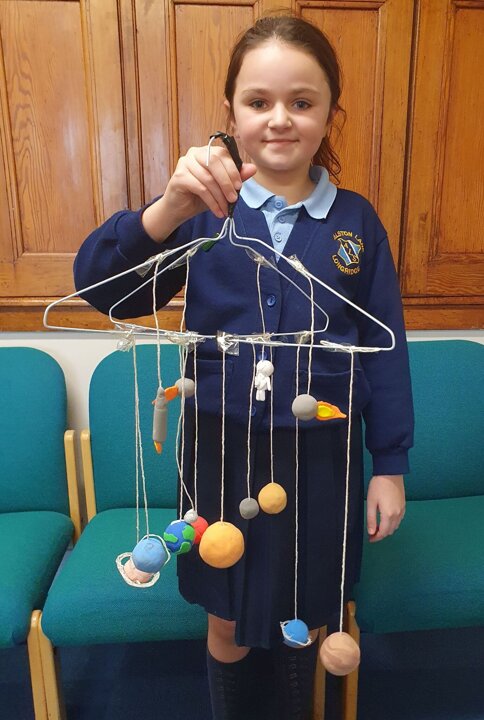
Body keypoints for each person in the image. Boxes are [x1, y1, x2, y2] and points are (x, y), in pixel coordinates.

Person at [74, 14, 413, 720]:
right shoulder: (202, 214)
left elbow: (385, 350)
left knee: (304, 614)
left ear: (330, 114)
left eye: (302, 101)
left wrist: (389, 464)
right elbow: (104, 291)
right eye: (259, 101)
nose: (280, 119)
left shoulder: (357, 223)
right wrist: (168, 208)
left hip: (321, 458)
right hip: (219, 452)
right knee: (225, 613)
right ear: (231, 114)